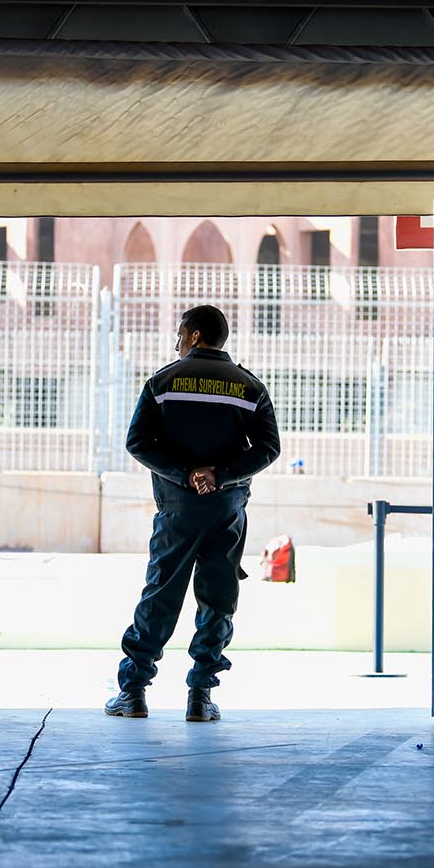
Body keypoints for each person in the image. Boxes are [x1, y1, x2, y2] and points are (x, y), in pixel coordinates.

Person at [105, 304, 281, 722]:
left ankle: (133, 691)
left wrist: (186, 475)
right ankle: (200, 697)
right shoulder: (250, 387)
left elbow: (138, 442)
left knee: (161, 594)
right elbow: (269, 449)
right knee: (218, 600)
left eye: (181, 334)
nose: (178, 342)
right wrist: (217, 476)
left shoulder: (163, 382)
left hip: (178, 511)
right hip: (226, 510)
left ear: (197, 336)